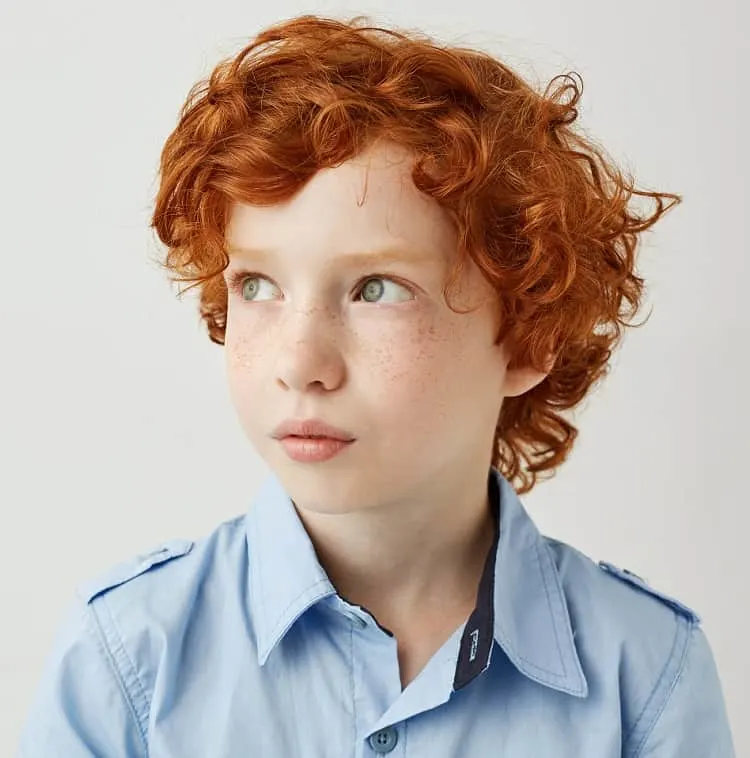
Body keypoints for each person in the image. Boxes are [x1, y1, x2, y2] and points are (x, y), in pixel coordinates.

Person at [18, 13, 735, 757]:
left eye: (377, 290)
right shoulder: (130, 655)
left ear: (529, 337)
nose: (300, 363)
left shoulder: (645, 672)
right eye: (257, 285)